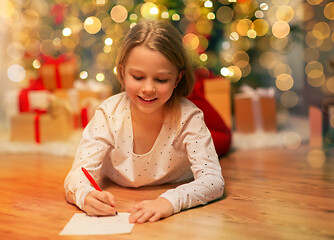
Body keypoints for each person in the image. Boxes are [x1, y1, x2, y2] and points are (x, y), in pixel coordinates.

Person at [64, 19, 225, 224]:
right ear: (122, 72)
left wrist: (169, 201)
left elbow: (213, 181)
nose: (148, 88)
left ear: (177, 78)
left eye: (161, 79)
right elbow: (78, 174)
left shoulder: (188, 117)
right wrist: (85, 195)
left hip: (173, 195)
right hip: (119, 195)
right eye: (138, 77)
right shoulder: (108, 114)